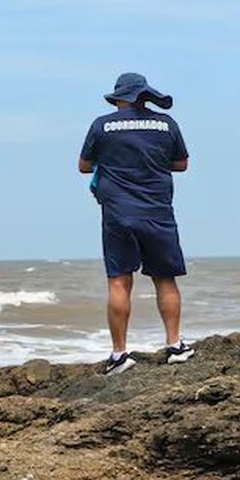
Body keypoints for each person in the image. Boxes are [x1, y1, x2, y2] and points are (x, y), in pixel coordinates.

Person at [79, 73, 195, 375]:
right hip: (157, 211)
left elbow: (84, 165)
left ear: (121, 97)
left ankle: (119, 354)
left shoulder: (102, 125)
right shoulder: (166, 124)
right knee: (165, 279)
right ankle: (174, 346)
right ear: (145, 95)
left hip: (118, 213)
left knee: (119, 281)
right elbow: (181, 163)